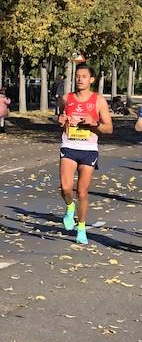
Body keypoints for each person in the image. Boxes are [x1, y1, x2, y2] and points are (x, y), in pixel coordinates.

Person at [57, 61, 112, 246]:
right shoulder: (67, 97)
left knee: (82, 191)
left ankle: (81, 227)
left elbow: (109, 128)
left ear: (92, 79)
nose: (80, 79)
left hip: (88, 149)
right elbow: (60, 116)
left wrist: (93, 123)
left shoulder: (98, 100)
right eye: (78, 76)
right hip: (69, 145)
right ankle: (69, 207)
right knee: (65, 187)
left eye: (84, 77)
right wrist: (61, 119)